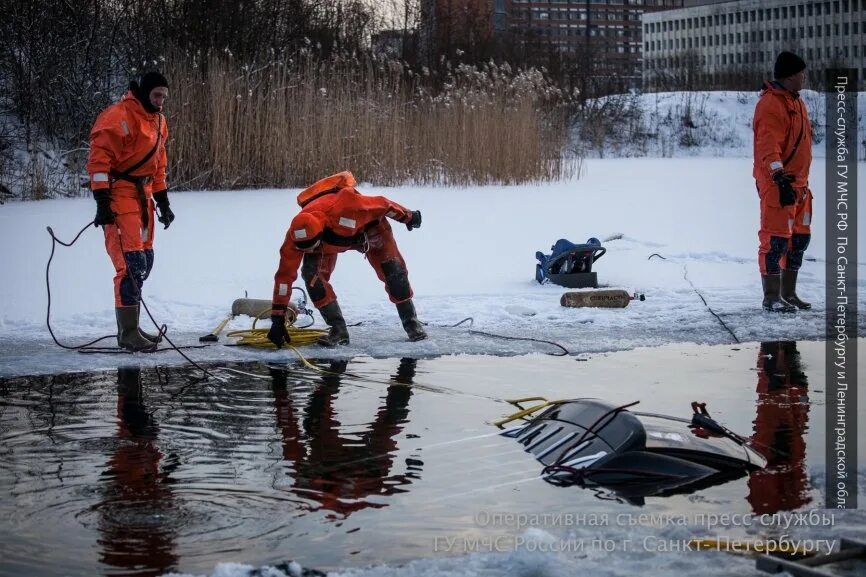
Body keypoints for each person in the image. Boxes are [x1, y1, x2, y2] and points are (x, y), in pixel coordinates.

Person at [268, 171, 426, 347]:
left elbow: (384, 204)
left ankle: (412, 324)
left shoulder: (348, 205)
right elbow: (284, 277)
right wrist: (277, 319)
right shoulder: (295, 238)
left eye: (311, 246)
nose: (308, 251)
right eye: (304, 248)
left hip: (371, 232)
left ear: (320, 233)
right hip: (329, 244)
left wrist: (408, 216)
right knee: (312, 276)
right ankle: (338, 330)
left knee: (394, 272)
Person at [87, 71, 176, 351]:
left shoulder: (160, 122)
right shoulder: (118, 117)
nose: (160, 100)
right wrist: (102, 203)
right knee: (130, 266)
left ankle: (134, 326)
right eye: (156, 94)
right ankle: (127, 333)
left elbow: (159, 165)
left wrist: (163, 203)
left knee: (145, 261)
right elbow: (99, 161)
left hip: (144, 197)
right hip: (120, 195)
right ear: (144, 92)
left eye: (164, 95)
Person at [753, 51, 812, 313]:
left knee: (798, 242)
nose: (804, 77)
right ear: (789, 77)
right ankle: (771, 297)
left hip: (800, 186)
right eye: (801, 73)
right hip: (780, 185)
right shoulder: (771, 104)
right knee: (775, 242)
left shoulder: (796, 101)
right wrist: (778, 176)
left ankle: (789, 293)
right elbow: (768, 146)